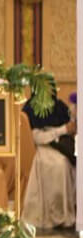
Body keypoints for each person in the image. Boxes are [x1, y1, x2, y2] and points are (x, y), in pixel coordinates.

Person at [23, 92, 76, 230]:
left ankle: (66, 212)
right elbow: (37, 137)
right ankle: (53, 215)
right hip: (43, 147)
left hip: (62, 145)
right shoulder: (31, 108)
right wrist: (63, 130)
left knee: (68, 163)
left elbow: (70, 126)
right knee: (57, 165)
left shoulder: (60, 106)